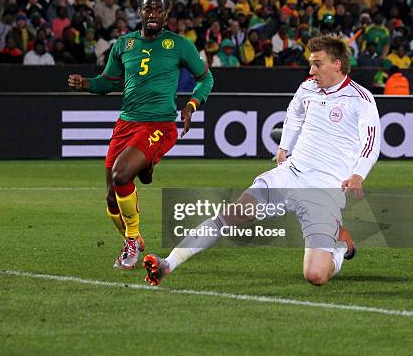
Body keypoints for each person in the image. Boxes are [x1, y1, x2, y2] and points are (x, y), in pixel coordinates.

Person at [144, 35, 380, 286]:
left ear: (337, 65)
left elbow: (371, 142)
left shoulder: (360, 99)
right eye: (311, 63)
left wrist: (358, 175)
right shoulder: (308, 87)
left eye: (317, 64)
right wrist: (284, 147)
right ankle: (168, 263)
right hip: (292, 173)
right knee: (233, 213)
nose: (311, 70)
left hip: (324, 189)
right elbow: (294, 115)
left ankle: (340, 244)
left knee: (316, 276)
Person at [67, 0, 214, 269]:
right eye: (148, 9)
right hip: (126, 123)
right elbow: (108, 82)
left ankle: (131, 243)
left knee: (121, 174)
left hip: (159, 123)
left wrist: (192, 105)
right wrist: (86, 84)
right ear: (139, 12)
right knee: (112, 197)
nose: (153, 14)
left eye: (159, 10)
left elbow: (205, 77)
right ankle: (135, 218)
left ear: (166, 15)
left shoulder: (179, 45)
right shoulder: (124, 44)